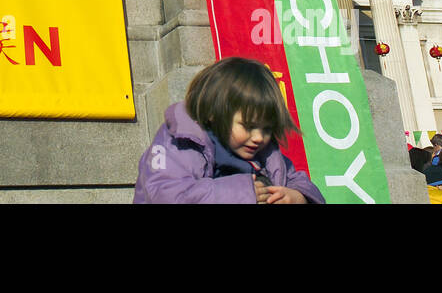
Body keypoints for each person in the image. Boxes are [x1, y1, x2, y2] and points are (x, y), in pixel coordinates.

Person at [134, 57, 324, 204]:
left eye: (267, 129)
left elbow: (297, 179)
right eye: (248, 126)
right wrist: (241, 194)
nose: (259, 138)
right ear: (214, 114)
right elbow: (164, 193)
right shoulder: (181, 143)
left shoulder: (265, 155)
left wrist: (299, 196)